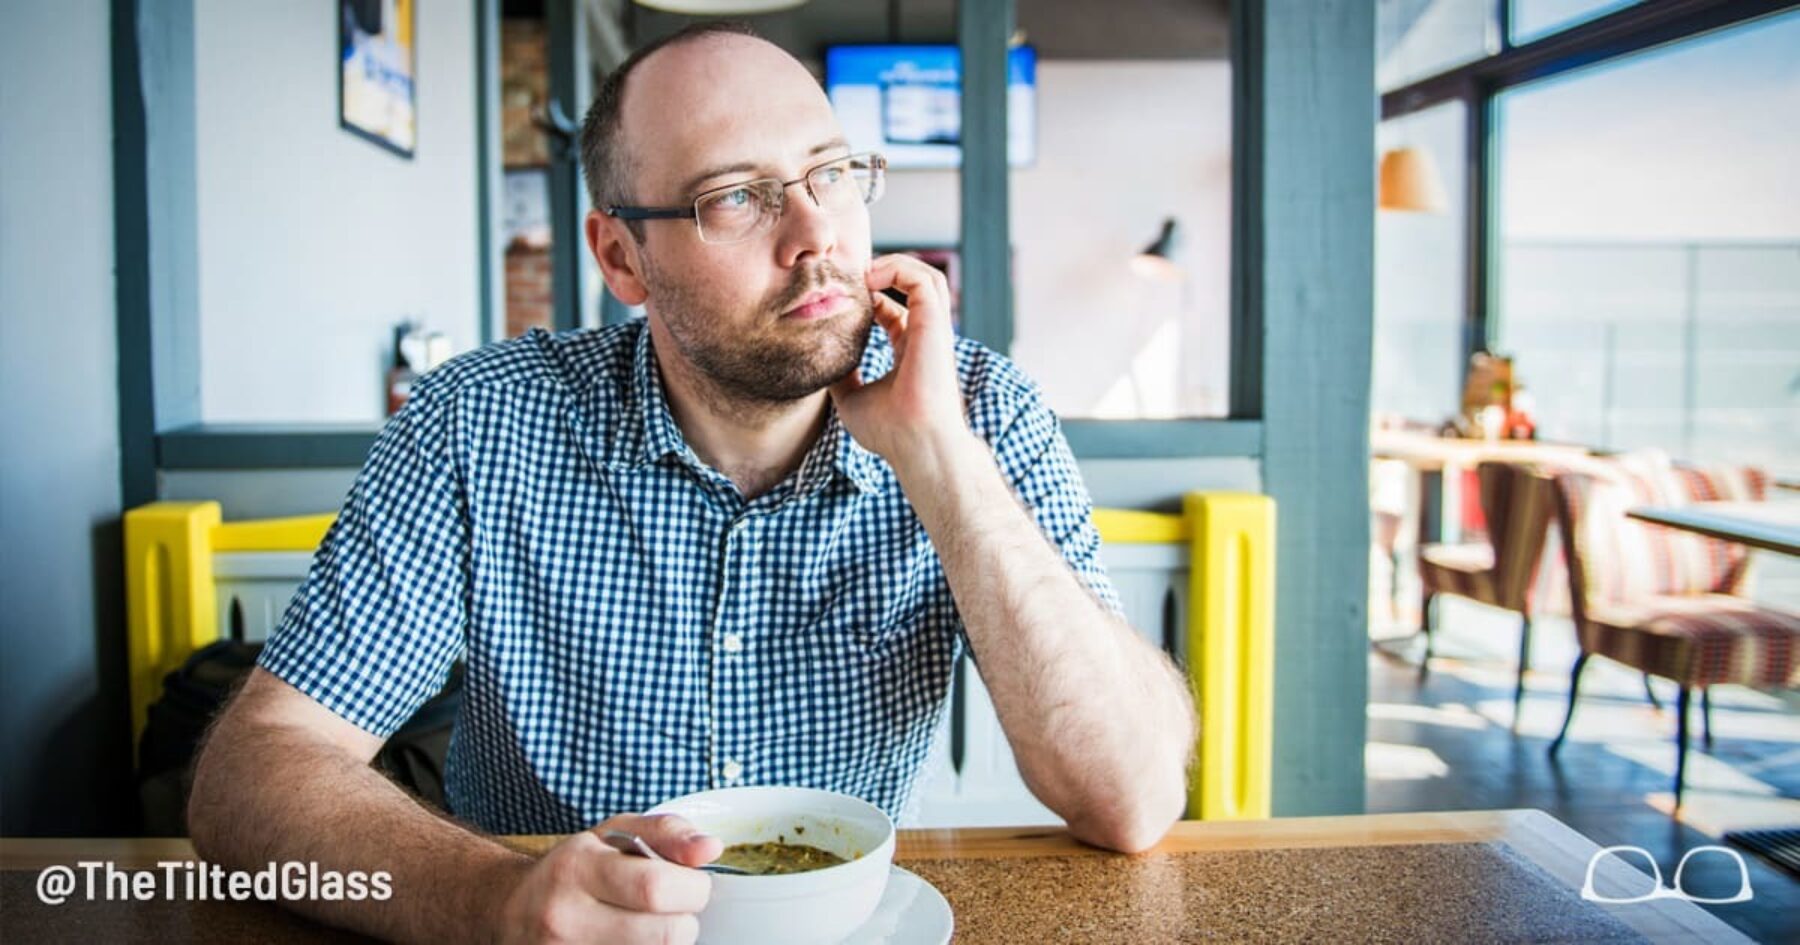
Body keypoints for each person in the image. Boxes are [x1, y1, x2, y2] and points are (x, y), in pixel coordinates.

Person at [189, 22, 1195, 945]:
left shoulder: (981, 411)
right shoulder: (477, 425)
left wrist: (939, 460)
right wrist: (491, 898)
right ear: (622, 256)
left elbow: (1132, 799)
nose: (818, 240)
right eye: (737, 198)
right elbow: (253, 772)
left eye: (832, 174)